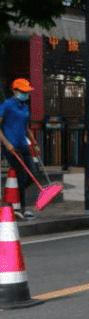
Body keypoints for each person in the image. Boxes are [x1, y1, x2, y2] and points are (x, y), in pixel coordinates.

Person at [0, 78, 35, 219]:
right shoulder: (7, 105)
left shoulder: (25, 107)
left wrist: (34, 143)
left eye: (27, 91)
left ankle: (14, 197)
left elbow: (27, 127)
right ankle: (22, 208)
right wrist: (6, 143)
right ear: (14, 91)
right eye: (23, 91)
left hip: (23, 145)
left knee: (32, 173)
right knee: (22, 174)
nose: (25, 94)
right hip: (11, 147)